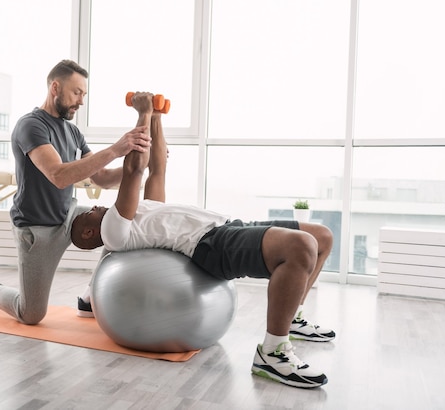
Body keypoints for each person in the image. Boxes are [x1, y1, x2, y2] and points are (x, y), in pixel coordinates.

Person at [70, 92, 335, 389]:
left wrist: (157, 118)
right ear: (89, 232)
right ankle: (272, 353)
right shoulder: (114, 232)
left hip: (228, 225)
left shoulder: (144, 212)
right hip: (212, 244)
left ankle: (292, 315)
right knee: (302, 246)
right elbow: (134, 169)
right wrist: (142, 113)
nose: (94, 206)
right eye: (89, 212)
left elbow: (157, 167)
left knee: (321, 236)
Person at [0, 60, 152, 325]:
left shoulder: (73, 132)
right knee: (30, 314)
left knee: (121, 222)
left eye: (84, 94)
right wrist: (116, 149)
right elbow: (58, 176)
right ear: (55, 87)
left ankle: (89, 296)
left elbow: (103, 179)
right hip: (36, 229)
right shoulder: (31, 126)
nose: (81, 101)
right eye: (77, 93)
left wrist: (143, 165)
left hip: (68, 216)